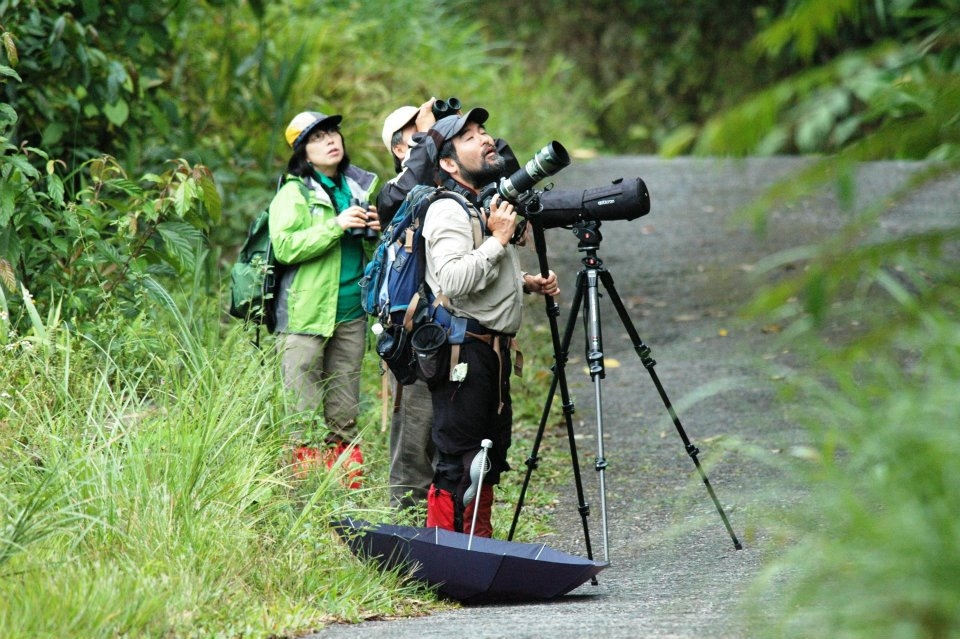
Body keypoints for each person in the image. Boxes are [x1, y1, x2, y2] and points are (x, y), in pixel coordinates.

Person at [420, 107, 558, 537]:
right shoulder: (447, 210)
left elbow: (481, 270)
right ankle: (447, 554)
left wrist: (523, 283)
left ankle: (477, 549)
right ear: (448, 162)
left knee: (489, 459)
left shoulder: (482, 204)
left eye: (484, 131)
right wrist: (499, 239)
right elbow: (454, 281)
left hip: (492, 352)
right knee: (459, 460)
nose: (486, 139)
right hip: (464, 351)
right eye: (471, 137)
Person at [269, 110, 380, 483]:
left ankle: (347, 492)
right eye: (317, 138)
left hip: (350, 312)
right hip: (305, 314)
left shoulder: (358, 187)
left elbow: (368, 251)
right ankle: (302, 494)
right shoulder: (293, 192)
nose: (330, 141)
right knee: (300, 412)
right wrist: (335, 225)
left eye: (333, 133)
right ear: (302, 153)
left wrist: (373, 232)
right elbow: (284, 247)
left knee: (345, 410)